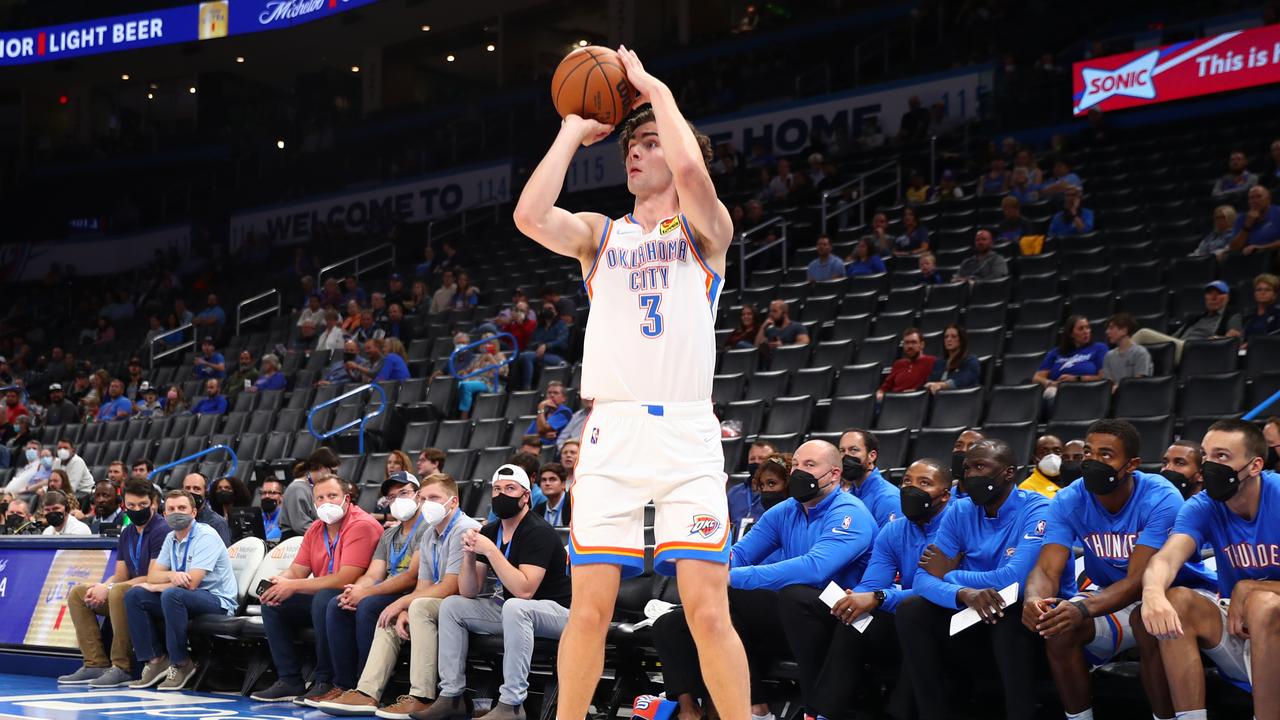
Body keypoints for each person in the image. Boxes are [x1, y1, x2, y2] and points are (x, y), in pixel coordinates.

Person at [512, 47, 749, 720]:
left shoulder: (707, 233)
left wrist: (654, 92)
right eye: (630, 147)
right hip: (611, 432)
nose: (634, 155)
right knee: (586, 610)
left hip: (684, 431)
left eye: (647, 145)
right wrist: (569, 130)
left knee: (707, 609)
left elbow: (694, 171)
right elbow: (530, 216)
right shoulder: (600, 235)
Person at [654, 440, 876, 720]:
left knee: (742, 596)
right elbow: (741, 553)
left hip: (838, 614)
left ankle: (773, 708)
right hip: (789, 614)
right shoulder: (785, 510)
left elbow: (815, 568)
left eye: (810, 465)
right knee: (674, 623)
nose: (798, 472)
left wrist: (730, 577)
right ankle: (725, 709)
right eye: (795, 465)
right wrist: (704, 568)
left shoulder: (849, 513)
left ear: (833, 474)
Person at [1023, 420, 1218, 720]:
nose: (1092, 462)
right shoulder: (1069, 497)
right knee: (1058, 628)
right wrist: (1034, 600)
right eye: (1089, 453)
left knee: (1148, 619)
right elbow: (1047, 567)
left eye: (1106, 455)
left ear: (1132, 464)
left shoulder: (1160, 496)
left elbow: (1139, 580)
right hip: (1106, 596)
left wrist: (1084, 609)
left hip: (1168, 593)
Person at [898, 438, 1074, 720]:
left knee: (1007, 611)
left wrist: (951, 574)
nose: (971, 475)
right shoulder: (960, 510)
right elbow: (921, 579)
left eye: (981, 467)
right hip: (974, 617)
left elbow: (1014, 579)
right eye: (967, 468)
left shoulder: (1038, 509)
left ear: (1008, 473)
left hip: (1036, 624)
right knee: (912, 610)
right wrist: (964, 593)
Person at [1139, 419, 1280, 719]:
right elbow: (1166, 558)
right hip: (1240, 628)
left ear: (1255, 466)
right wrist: (1152, 594)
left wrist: (1252, 587)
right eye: (1206, 455)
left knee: (1262, 604)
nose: (1209, 465)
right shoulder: (1203, 505)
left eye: (1222, 456)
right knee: (1176, 600)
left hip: (1269, 616)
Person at [796, 458, 955, 719]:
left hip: (947, 619)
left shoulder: (956, 526)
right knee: (855, 619)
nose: (911, 489)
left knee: (914, 614)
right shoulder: (893, 530)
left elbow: (940, 591)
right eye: (906, 481)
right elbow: (872, 583)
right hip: (904, 617)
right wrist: (857, 597)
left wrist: (879, 597)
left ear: (945, 495)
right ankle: (821, 713)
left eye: (924, 483)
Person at [317, 473, 479, 718]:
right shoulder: (429, 534)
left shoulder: (465, 529)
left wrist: (403, 603)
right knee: (391, 614)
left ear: (453, 502)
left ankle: (421, 695)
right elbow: (423, 586)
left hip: (468, 603)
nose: (427, 504)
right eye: (423, 499)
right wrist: (400, 609)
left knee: (410, 607)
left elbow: (450, 586)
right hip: (435, 600)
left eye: (433, 497)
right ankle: (367, 692)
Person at [419, 465, 572, 720]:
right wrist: (469, 554)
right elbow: (469, 591)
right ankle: (452, 696)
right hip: (518, 613)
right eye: (497, 489)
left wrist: (491, 551)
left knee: (515, 606)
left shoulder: (538, 532)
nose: (502, 495)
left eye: (510, 489)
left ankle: (512, 704)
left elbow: (524, 590)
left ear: (526, 497)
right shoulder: (491, 531)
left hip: (558, 612)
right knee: (453, 606)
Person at [251, 475, 384, 703]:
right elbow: (296, 571)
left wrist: (292, 586)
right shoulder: (315, 528)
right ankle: (290, 680)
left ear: (347, 498)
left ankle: (325, 679)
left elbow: (345, 578)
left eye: (332, 496)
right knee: (274, 603)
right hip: (325, 597)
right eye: (320, 498)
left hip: (357, 597)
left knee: (323, 599)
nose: (326, 502)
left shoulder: (361, 524)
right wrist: (278, 583)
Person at [313, 472, 431, 708]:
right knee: (338, 604)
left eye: (404, 493)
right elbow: (373, 574)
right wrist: (354, 591)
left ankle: (367, 689)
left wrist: (365, 594)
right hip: (386, 589)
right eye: (391, 496)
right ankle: (344, 685)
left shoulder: (426, 528)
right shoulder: (389, 534)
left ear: (418, 495)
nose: (398, 500)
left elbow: (411, 577)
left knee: (367, 606)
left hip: (412, 591)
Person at [123, 489, 238, 690]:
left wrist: (158, 584)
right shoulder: (170, 538)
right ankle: (156, 660)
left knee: (171, 594)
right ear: (164, 514)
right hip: (183, 597)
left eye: (182, 508)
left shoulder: (206, 535)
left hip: (216, 600)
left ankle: (182, 663)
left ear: (193, 512)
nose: (177, 512)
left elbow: (191, 583)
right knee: (135, 595)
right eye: (172, 509)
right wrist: (170, 576)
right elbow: (153, 575)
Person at [60, 481, 168, 688]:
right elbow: (120, 575)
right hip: (125, 590)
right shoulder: (127, 532)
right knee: (79, 594)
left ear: (153, 503)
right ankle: (95, 663)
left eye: (142, 504)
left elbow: (151, 577)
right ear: (124, 505)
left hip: (151, 595)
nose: (137, 510)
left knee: (119, 591)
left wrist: (110, 588)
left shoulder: (161, 530)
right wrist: (101, 586)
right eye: (132, 505)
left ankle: (122, 666)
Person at [1132, 281, 1243, 364]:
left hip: (1197, 351)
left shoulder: (1232, 315)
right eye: (1209, 294)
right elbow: (1173, 338)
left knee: (1143, 334)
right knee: (1142, 350)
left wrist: (1216, 339)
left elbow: (1234, 339)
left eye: (1218, 293)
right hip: (1180, 348)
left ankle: (1116, 357)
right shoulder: (1195, 318)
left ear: (1227, 297)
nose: (1213, 297)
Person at [1032, 315, 1108, 400]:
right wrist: (1050, 383)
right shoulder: (1056, 352)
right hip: (1057, 391)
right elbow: (1037, 378)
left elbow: (1103, 377)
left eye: (1087, 328)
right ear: (1071, 334)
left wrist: (1076, 378)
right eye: (1081, 329)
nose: (1086, 331)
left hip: (1086, 390)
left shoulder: (1099, 348)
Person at [837, 429, 900, 527]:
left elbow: (891, 541)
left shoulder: (888, 498)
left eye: (853, 450)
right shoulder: (847, 494)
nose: (846, 457)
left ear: (872, 456)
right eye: (842, 451)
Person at [281, 448, 340, 540]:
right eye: (333, 471)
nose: (335, 476)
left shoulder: (311, 488)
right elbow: (301, 525)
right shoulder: (297, 489)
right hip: (294, 543)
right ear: (321, 467)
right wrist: (331, 533)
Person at [876, 327, 936, 401]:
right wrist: (880, 394)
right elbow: (883, 389)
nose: (909, 346)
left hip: (917, 402)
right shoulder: (898, 364)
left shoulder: (932, 361)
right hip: (894, 403)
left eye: (913, 342)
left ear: (922, 345)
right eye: (906, 343)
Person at [727, 440, 777, 526]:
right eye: (752, 459)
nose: (756, 462)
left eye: (762, 459)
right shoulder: (733, 493)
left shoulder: (780, 493)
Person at [456, 340, 507, 420]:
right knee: (456, 384)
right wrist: (465, 372)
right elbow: (469, 369)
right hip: (476, 379)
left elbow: (503, 372)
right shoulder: (478, 357)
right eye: (483, 343)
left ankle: (463, 418)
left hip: (490, 383)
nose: (485, 345)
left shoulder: (499, 356)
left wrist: (490, 358)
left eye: (488, 343)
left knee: (466, 386)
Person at [1100, 312, 1153, 389]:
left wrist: (1117, 388)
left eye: (1111, 328)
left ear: (1124, 331)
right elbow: (1108, 383)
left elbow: (1140, 382)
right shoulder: (1108, 355)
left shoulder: (1141, 353)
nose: (1107, 332)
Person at [923, 324, 981, 393]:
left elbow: (964, 380)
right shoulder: (939, 362)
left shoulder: (971, 360)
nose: (949, 339)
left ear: (961, 340)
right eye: (946, 337)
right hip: (938, 399)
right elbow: (931, 380)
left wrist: (942, 385)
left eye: (953, 336)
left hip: (962, 399)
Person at [181, 473, 232, 546]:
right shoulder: (175, 520)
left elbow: (224, 555)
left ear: (206, 493)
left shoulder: (218, 523)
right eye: (187, 488)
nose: (191, 492)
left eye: (197, 489)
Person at [1230, 184, 1280, 255]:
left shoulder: (1278, 212)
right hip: (1250, 258)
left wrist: (1261, 248)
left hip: (1273, 254)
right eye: (1251, 198)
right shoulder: (1241, 218)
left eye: (1259, 196)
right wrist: (1247, 227)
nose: (1254, 201)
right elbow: (1234, 248)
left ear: (1268, 199)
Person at [523, 381, 573, 447]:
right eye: (549, 393)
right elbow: (525, 437)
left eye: (556, 393)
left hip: (549, 451)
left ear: (563, 398)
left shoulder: (565, 412)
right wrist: (542, 435)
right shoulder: (543, 414)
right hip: (534, 448)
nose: (552, 395)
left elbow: (542, 428)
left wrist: (541, 406)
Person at [1019, 434, 1068, 498]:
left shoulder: (1074, 480)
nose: (1051, 456)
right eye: (1044, 452)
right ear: (1035, 459)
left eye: (1057, 451)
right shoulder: (1026, 489)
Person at [1242, 272, 1280, 346]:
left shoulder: (1278, 315)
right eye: (1259, 289)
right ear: (1254, 294)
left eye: (1267, 290)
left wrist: (1251, 344)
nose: (1262, 292)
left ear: (1275, 295)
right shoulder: (1247, 316)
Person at [532, 462, 571, 527]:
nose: (547, 483)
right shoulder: (537, 511)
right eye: (544, 480)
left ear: (563, 484)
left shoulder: (573, 506)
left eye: (552, 479)